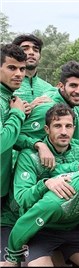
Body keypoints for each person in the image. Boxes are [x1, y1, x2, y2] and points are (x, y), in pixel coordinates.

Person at [0, 104, 79, 266]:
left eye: (68, 126)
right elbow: (21, 199)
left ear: (74, 128)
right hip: (16, 220)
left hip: (59, 224)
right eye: (57, 126)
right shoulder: (29, 156)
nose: (63, 131)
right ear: (46, 129)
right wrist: (45, 184)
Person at [3, 153, 79, 267]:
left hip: (75, 229)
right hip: (42, 232)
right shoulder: (57, 201)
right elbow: (23, 225)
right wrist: (12, 259)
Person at [0, 44, 28, 199]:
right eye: (12, 68)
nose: (19, 74)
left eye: (22, 69)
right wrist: (17, 113)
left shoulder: (8, 97)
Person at [12, 34, 58, 104]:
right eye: (25, 49)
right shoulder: (7, 86)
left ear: (40, 56)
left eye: (36, 50)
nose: (31, 52)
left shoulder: (48, 88)